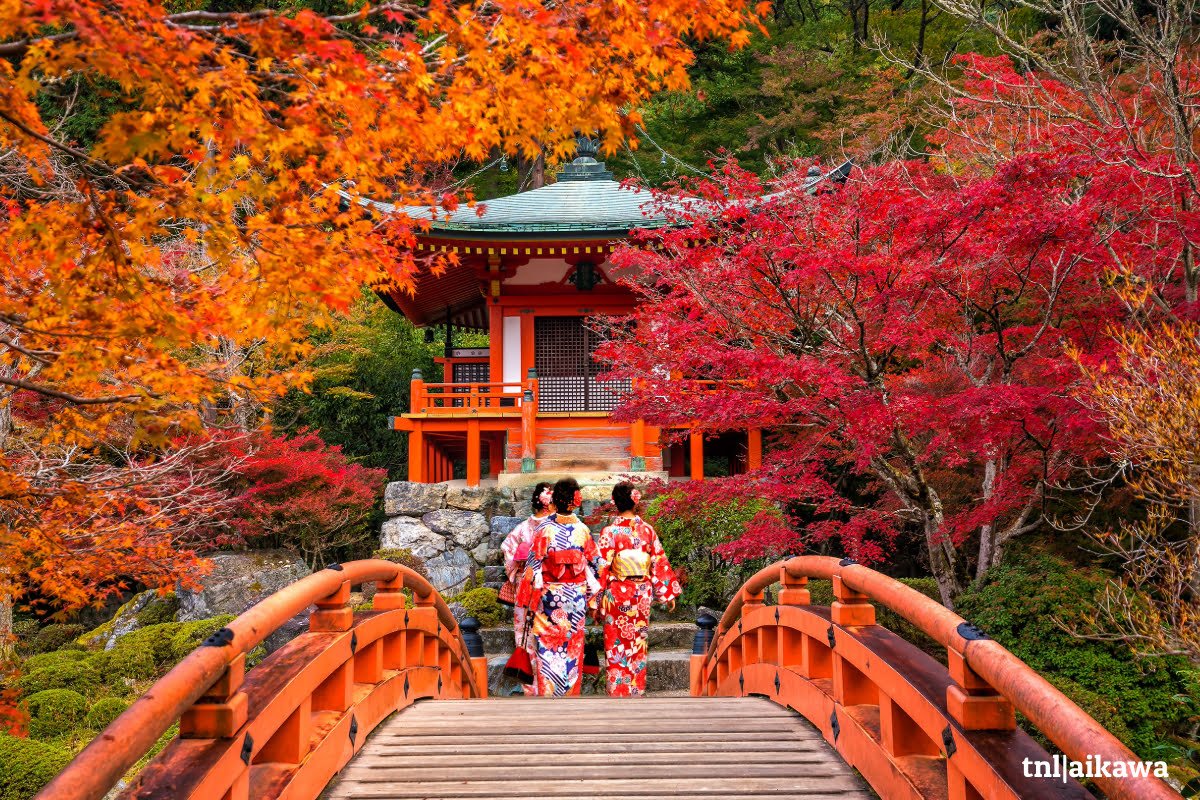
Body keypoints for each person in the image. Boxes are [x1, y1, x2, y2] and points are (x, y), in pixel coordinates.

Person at [519, 477, 603, 696]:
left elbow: (532, 565)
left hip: (549, 598)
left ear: (555, 501)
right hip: (575, 596)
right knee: (573, 648)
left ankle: (549, 695)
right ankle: (570, 696)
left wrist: (526, 600)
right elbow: (596, 566)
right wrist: (594, 600)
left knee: (548, 647)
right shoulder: (583, 530)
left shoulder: (544, 529)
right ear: (575, 502)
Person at [597, 482, 680, 697]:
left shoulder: (609, 532)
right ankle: (636, 689)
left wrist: (595, 601)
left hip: (616, 593)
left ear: (615, 502)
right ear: (636, 501)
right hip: (641, 593)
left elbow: (602, 568)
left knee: (616, 643)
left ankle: (618, 691)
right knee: (638, 642)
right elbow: (658, 562)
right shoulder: (647, 531)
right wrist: (667, 593)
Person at [500, 481, 553, 695]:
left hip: (526, 583)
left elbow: (508, 551)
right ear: (549, 503)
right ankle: (550, 685)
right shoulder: (559, 528)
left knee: (526, 635)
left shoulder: (522, 528)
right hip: (552, 585)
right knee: (550, 633)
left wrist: (517, 571)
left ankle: (531, 688)